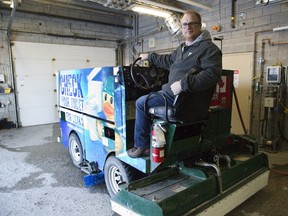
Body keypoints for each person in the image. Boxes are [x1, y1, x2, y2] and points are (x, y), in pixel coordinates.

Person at [127, 10, 222, 158]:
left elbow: (212, 74)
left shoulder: (208, 49)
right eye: (184, 24)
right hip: (173, 95)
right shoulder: (182, 48)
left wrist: (183, 84)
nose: (188, 27)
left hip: (181, 100)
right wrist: (149, 57)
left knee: (140, 103)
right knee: (151, 96)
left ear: (200, 26)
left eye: (192, 24)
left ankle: (142, 146)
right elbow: (167, 61)